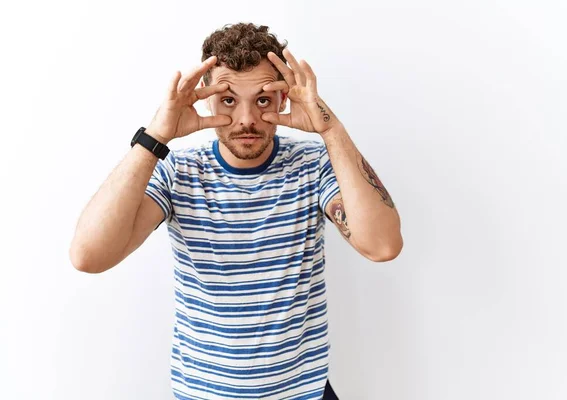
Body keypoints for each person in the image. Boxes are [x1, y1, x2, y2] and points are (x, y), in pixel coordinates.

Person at [69, 22, 403, 400]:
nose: (246, 119)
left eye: (262, 99)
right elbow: (88, 256)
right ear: (208, 100)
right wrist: (156, 137)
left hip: (303, 393)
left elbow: (383, 245)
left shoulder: (313, 164)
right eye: (229, 99)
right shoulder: (178, 170)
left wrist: (330, 128)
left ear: (283, 100)